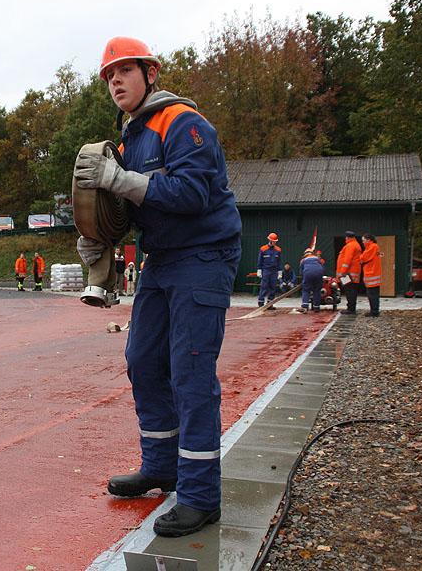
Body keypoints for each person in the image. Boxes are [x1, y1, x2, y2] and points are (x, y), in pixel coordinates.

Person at [74, 36, 242, 538]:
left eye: (125, 70)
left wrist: (118, 178)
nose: (116, 82)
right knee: (145, 361)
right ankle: (162, 466)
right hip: (162, 260)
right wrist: (98, 241)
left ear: (150, 73)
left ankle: (199, 496)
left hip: (204, 255)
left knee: (190, 372)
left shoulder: (183, 122)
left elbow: (192, 194)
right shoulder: (130, 137)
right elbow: (129, 209)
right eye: (109, 76)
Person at [336, 231, 362, 314]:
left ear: (348, 237)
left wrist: (342, 272)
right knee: (351, 290)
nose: (345, 239)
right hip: (351, 273)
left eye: (346, 237)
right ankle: (351, 307)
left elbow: (347, 260)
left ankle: (350, 309)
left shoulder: (350, 246)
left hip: (348, 274)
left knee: (349, 291)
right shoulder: (355, 245)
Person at [256, 232, 282, 308]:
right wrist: (259, 269)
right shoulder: (263, 249)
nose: (274, 243)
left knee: (273, 287)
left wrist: (280, 272)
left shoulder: (278, 250)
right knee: (264, 286)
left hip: (274, 271)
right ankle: (261, 303)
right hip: (266, 270)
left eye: (275, 241)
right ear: (270, 240)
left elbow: (279, 262)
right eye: (273, 241)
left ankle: (270, 304)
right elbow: (260, 260)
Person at [359, 234, 382, 317]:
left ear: (368, 240)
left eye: (363, 240)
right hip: (372, 274)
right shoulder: (372, 247)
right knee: (373, 294)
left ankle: (374, 311)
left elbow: (363, 258)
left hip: (372, 274)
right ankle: (374, 310)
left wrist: (361, 257)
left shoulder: (372, 247)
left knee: (372, 294)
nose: (363, 242)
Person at [297, 248, 324, 313]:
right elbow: (322, 267)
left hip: (308, 274)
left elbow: (301, 272)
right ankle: (316, 307)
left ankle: (305, 307)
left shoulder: (303, 260)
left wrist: (304, 280)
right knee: (317, 290)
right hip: (319, 274)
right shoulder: (317, 259)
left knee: (306, 290)